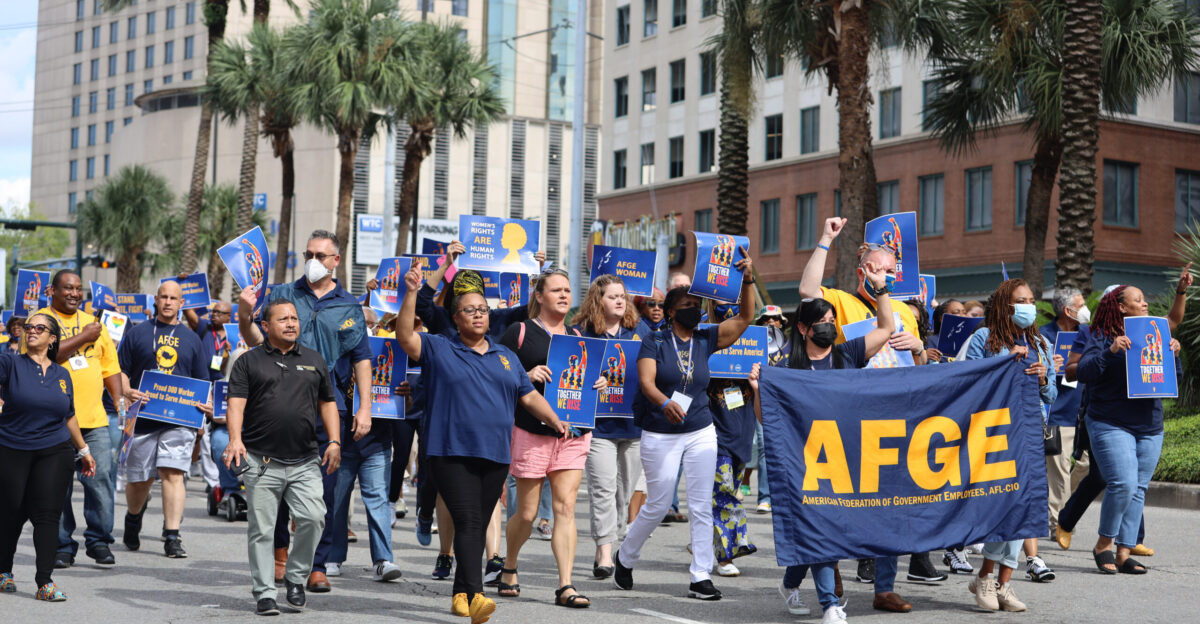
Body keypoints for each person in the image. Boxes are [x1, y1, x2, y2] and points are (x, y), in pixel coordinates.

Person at [394, 259, 569, 624]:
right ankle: (476, 598)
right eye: (469, 310)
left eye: (483, 310)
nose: (478, 315)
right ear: (455, 318)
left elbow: (528, 396)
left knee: (475, 520)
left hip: (494, 456)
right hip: (450, 454)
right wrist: (411, 293)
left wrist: (555, 420)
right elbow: (406, 337)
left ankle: (459, 592)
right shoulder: (440, 348)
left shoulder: (505, 356)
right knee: (471, 521)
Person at [798, 217, 942, 595]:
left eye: (894, 271)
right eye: (885, 271)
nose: (891, 277)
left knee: (893, 505)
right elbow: (807, 289)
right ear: (866, 271)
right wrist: (826, 239)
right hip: (848, 414)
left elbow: (919, 368)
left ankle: (885, 589)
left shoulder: (905, 311)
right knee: (844, 501)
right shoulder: (842, 302)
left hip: (894, 416)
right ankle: (832, 562)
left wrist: (919, 351)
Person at [613, 248, 757, 601]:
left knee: (700, 503)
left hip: (700, 430)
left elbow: (744, 319)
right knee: (659, 504)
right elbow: (646, 382)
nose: (696, 310)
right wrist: (664, 403)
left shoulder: (707, 338)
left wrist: (748, 279)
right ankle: (626, 555)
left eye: (698, 304)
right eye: (689, 305)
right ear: (673, 312)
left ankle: (700, 576)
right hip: (661, 433)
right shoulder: (655, 340)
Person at [238, 230, 372, 593]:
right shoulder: (283, 294)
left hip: (328, 409)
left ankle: (317, 564)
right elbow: (256, 342)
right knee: (275, 486)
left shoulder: (349, 305)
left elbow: (361, 359)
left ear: (336, 261)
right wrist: (245, 312)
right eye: (308, 253)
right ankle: (280, 552)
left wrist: (365, 407)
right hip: (277, 408)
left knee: (325, 491)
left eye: (321, 255)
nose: (313, 261)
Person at [770, 269, 896, 621]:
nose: (829, 326)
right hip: (803, 462)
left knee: (825, 529)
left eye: (832, 320)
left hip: (846, 458)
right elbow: (768, 420)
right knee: (823, 528)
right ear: (803, 328)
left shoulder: (847, 354)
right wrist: (754, 391)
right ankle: (829, 604)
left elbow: (886, 328)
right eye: (821, 322)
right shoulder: (784, 366)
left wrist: (881, 288)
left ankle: (790, 582)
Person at [222, 299, 343, 616]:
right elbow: (236, 404)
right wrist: (235, 440)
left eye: (294, 318)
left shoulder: (315, 360)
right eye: (282, 319)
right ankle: (264, 592)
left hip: (305, 461)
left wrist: (334, 440)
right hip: (261, 463)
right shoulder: (249, 362)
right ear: (265, 325)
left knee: (314, 518)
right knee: (261, 530)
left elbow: (328, 403)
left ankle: (296, 578)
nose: (291, 323)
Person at [497, 269, 607, 608]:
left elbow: (587, 372)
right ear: (539, 296)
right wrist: (525, 375)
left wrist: (599, 381)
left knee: (566, 508)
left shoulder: (578, 334)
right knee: (527, 514)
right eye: (556, 290)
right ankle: (509, 564)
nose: (563, 295)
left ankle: (565, 585)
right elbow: (494, 370)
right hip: (532, 430)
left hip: (573, 433)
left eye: (567, 289)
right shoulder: (519, 332)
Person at [962, 278, 1057, 612]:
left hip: (1029, 435)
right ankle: (987, 576)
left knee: (1023, 506)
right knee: (1004, 504)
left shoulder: (1040, 342)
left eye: (1032, 299)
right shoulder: (982, 339)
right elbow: (965, 381)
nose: (1028, 306)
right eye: (1021, 300)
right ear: (1005, 306)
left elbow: (1052, 395)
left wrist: (1044, 377)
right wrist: (1002, 363)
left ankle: (1002, 583)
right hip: (993, 435)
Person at [1077, 285, 1180, 576]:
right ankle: (1103, 544)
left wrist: (1173, 355)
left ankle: (1124, 552)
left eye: (1146, 299)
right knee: (1123, 482)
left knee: (1138, 489)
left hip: (1149, 425)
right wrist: (1110, 352)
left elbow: (1173, 382)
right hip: (1110, 422)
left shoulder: (1156, 335)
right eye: (1139, 300)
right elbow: (1083, 372)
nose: (1146, 304)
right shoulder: (1100, 336)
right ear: (1122, 307)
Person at [0, 313, 96, 602]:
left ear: (52, 338)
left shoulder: (62, 374)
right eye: (29, 327)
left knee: (48, 515)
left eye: (39, 328)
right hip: (12, 446)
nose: (32, 331)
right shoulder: (10, 362)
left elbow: (68, 415)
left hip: (55, 450)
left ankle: (45, 582)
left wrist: (84, 450)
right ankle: (4, 570)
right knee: (10, 511)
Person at [119, 280, 213, 559]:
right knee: (140, 481)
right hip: (143, 420)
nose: (169, 302)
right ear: (156, 301)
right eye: (164, 297)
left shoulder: (192, 338)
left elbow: (202, 381)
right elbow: (121, 370)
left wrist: (203, 411)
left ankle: (172, 535)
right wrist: (126, 390)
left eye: (174, 298)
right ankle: (134, 517)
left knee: (173, 473)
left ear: (182, 303)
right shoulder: (137, 333)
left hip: (180, 420)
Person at [36, 271, 123, 569]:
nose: (74, 293)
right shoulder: (40, 320)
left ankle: (99, 541)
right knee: (57, 486)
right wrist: (85, 337)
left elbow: (110, 366)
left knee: (99, 480)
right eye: (67, 288)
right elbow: (43, 353)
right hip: (53, 422)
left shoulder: (93, 322)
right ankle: (63, 545)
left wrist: (119, 400)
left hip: (94, 420)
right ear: (52, 291)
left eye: (77, 289)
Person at [573, 275, 644, 580]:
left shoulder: (641, 332)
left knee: (624, 492)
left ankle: (614, 538)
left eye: (622, 296)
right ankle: (604, 552)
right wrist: (591, 380)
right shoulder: (582, 333)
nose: (619, 300)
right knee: (603, 487)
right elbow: (570, 370)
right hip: (598, 425)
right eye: (612, 296)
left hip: (634, 425)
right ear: (597, 300)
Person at [1039, 288, 1090, 538]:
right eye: (1081, 305)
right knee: (1058, 472)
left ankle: (1064, 511)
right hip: (1057, 414)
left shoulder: (1087, 334)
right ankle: (1057, 523)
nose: (1086, 309)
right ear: (1068, 311)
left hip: (1084, 414)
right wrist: (1051, 368)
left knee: (1087, 465)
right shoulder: (1044, 336)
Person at [709, 376, 757, 578]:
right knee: (724, 494)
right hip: (715, 437)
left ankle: (702, 540)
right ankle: (727, 555)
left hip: (742, 437)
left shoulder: (755, 350)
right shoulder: (707, 348)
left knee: (720, 495)